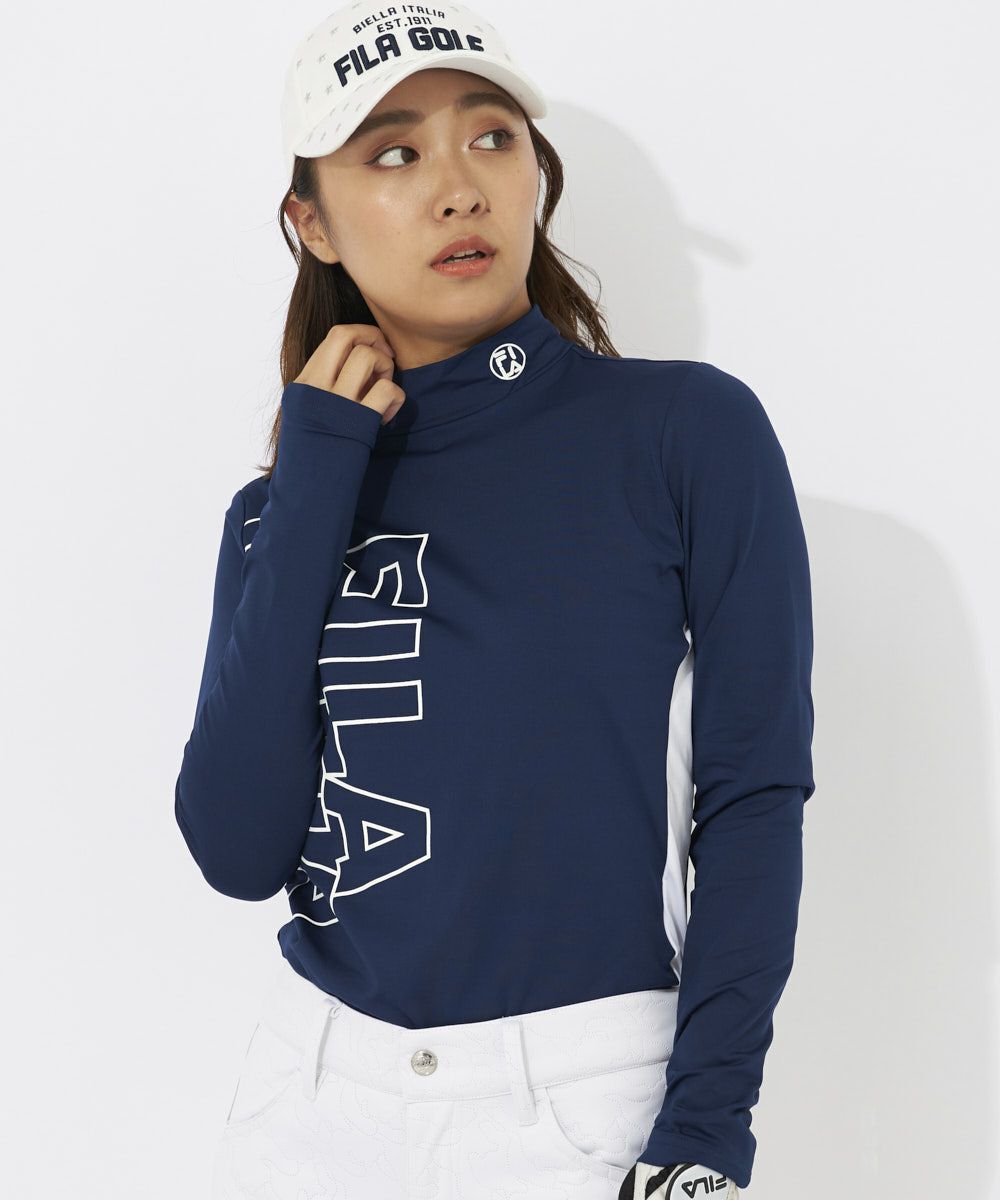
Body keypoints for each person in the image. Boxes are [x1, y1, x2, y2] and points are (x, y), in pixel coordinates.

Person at [173, 4, 816, 1198]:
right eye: (394, 153)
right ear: (311, 223)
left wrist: (704, 1131)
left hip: (577, 1112)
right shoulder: (280, 507)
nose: (458, 188)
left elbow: (752, 795)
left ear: (535, 174)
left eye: (492, 137)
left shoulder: (682, 433)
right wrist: (315, 475)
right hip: (307, 1100)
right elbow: (235, 849)